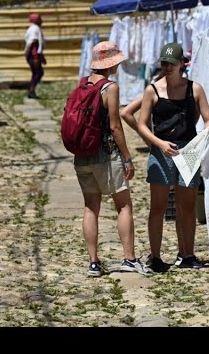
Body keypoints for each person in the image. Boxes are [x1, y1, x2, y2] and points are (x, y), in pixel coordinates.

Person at [73, 41, 150, 277]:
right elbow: (115, 126)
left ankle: (94, 263)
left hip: (82, 154)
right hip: (106, 154)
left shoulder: (82, 84)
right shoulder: (110, 88)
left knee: (91, 207)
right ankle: (129, 258)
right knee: (124, 204)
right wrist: (127, 157)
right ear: (111, 63)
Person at [137, 42, 209, 272]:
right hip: (161, 152)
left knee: (187, 206)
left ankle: (187, 254)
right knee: (158, 207)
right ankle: (156, 256)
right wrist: (159, 144)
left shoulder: (195, 89)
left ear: (182, 64)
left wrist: (203, 137)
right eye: (164, 63)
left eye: (171, 63)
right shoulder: (152, 90)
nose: (167, 67)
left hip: (188, 151)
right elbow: (142, 124)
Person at [24, 13, 47, 99]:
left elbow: (38, 46)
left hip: (33, 55)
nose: (42, 21)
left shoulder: (34, 28)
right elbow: (34, 44)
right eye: (40, 19)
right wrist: (36, 58)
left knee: (35, 72)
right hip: (33, 55)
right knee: (39, 72)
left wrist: (42, 57)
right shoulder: (34, 29)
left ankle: (31, 90)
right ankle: (31, 88)